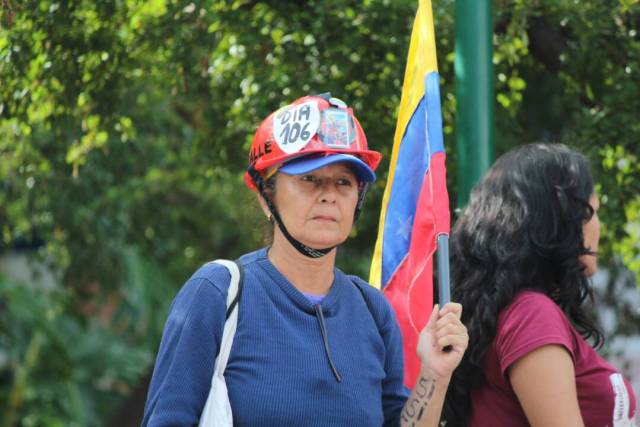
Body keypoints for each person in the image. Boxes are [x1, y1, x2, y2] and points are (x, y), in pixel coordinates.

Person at [142, 94, 468, 426]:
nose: (328, 194)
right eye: (308, 178)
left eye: (344, 182)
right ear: (266, 197)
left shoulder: (372, 310)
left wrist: (435, 374)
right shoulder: (216, 293)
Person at [443, 143, 637, 426]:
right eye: (592, 212)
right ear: (559, 221)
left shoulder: (516, 312)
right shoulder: (531, 315)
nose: (599, 227)